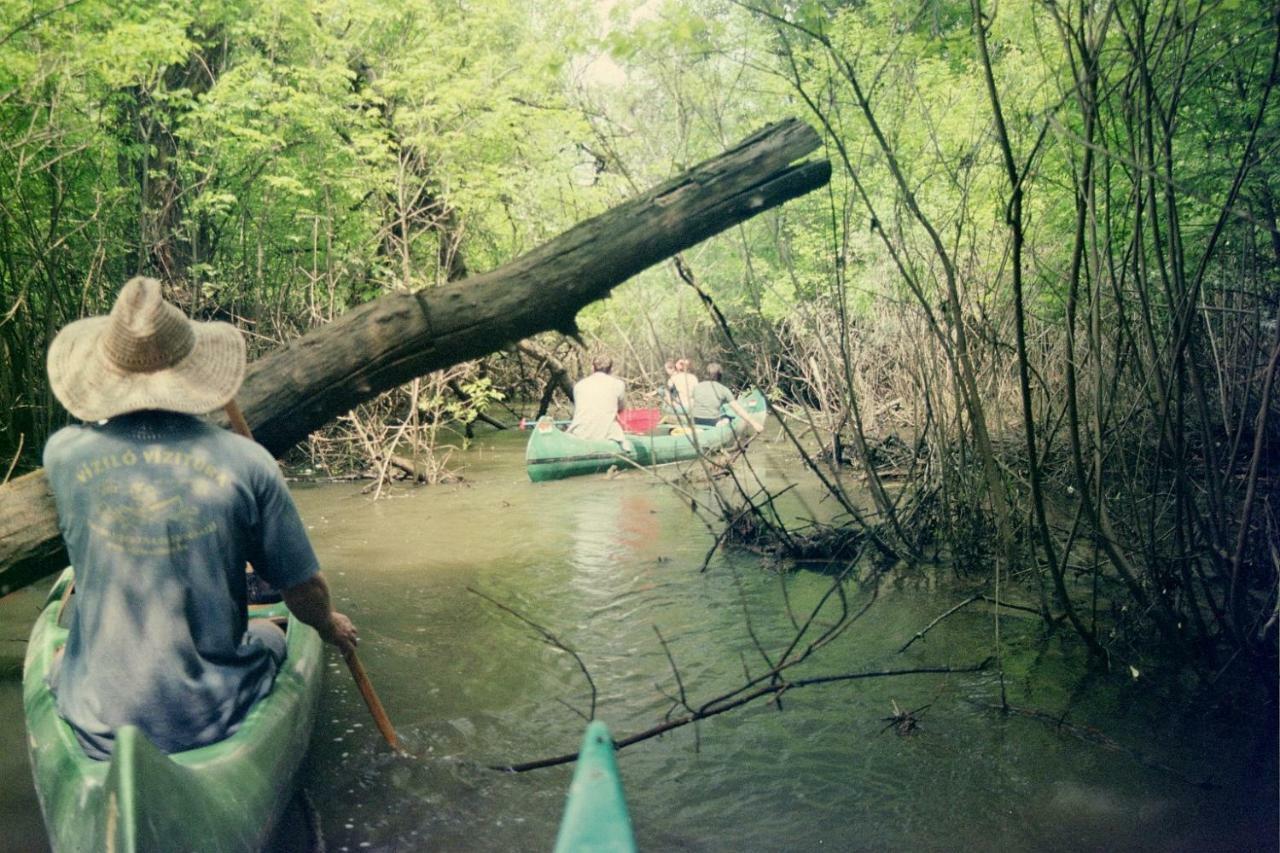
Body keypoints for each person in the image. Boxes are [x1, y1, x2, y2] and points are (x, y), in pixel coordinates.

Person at [42, 276, 358, 759]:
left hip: (96, 714)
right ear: (192, 374)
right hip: (207, 717)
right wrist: (328, 625)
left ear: (107, 376)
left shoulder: (62, 455)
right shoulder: (249, 463)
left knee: (62, 658)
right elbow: (303, 591)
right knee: (271, 634)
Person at [568, 354, 630, 448]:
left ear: (592, 368)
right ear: (610, 370)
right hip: (605, 434)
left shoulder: (579, 385)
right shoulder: (618, 385)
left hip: (579, 433)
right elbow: (621, 409)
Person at [689, 363, 765, 430]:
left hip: (695, 421)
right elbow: (737, 409)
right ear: (720, 375)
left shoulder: (697, 387)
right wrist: (754, 423)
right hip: (712, 422)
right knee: (729, 418)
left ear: (706, 374)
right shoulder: (723, 389)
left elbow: (691, 405)